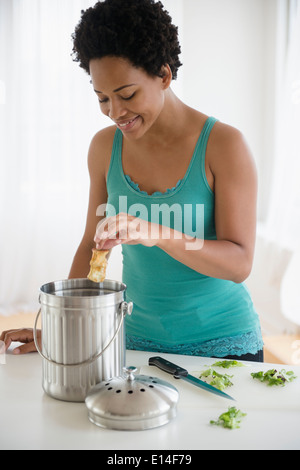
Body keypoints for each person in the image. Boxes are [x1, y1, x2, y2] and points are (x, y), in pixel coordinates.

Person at [0, 0, 264, 361]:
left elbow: (239, 264)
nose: (115, 112)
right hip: (132, 341)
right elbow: (90, 247)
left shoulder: (223, 145)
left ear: (164, 75)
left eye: (127, 95)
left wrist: (154, 232)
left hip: (222, 344)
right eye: (102, 98)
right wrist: (65, 328)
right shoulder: (104, 147)